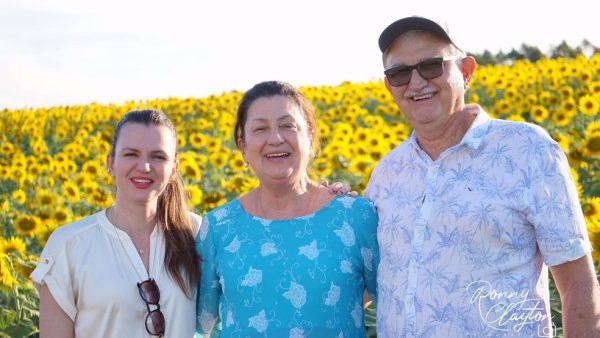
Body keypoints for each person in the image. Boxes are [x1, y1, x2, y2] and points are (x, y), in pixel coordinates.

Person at [365, 16, 600, 337]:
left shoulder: (528, 150)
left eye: (432, 66)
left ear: (466, 72)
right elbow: (368, 281)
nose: (416, 82)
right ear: (389, 86)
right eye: (399, 73)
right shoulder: (386, 174)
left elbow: (577, 284)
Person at [196, 80, 379, 337]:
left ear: (310, 137)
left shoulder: (356, 217)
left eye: (288, 126)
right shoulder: (218, 227)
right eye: (260, 129)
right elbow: (199, 324)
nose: (275, 138)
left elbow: (391, 302)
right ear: (243, 147)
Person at [31, 109, 201, 338]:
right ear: (110, 163)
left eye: (158, 157)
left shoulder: (199, 234)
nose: (144, 167)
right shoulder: (68, 245)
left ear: (174, 169)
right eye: (131, 154)